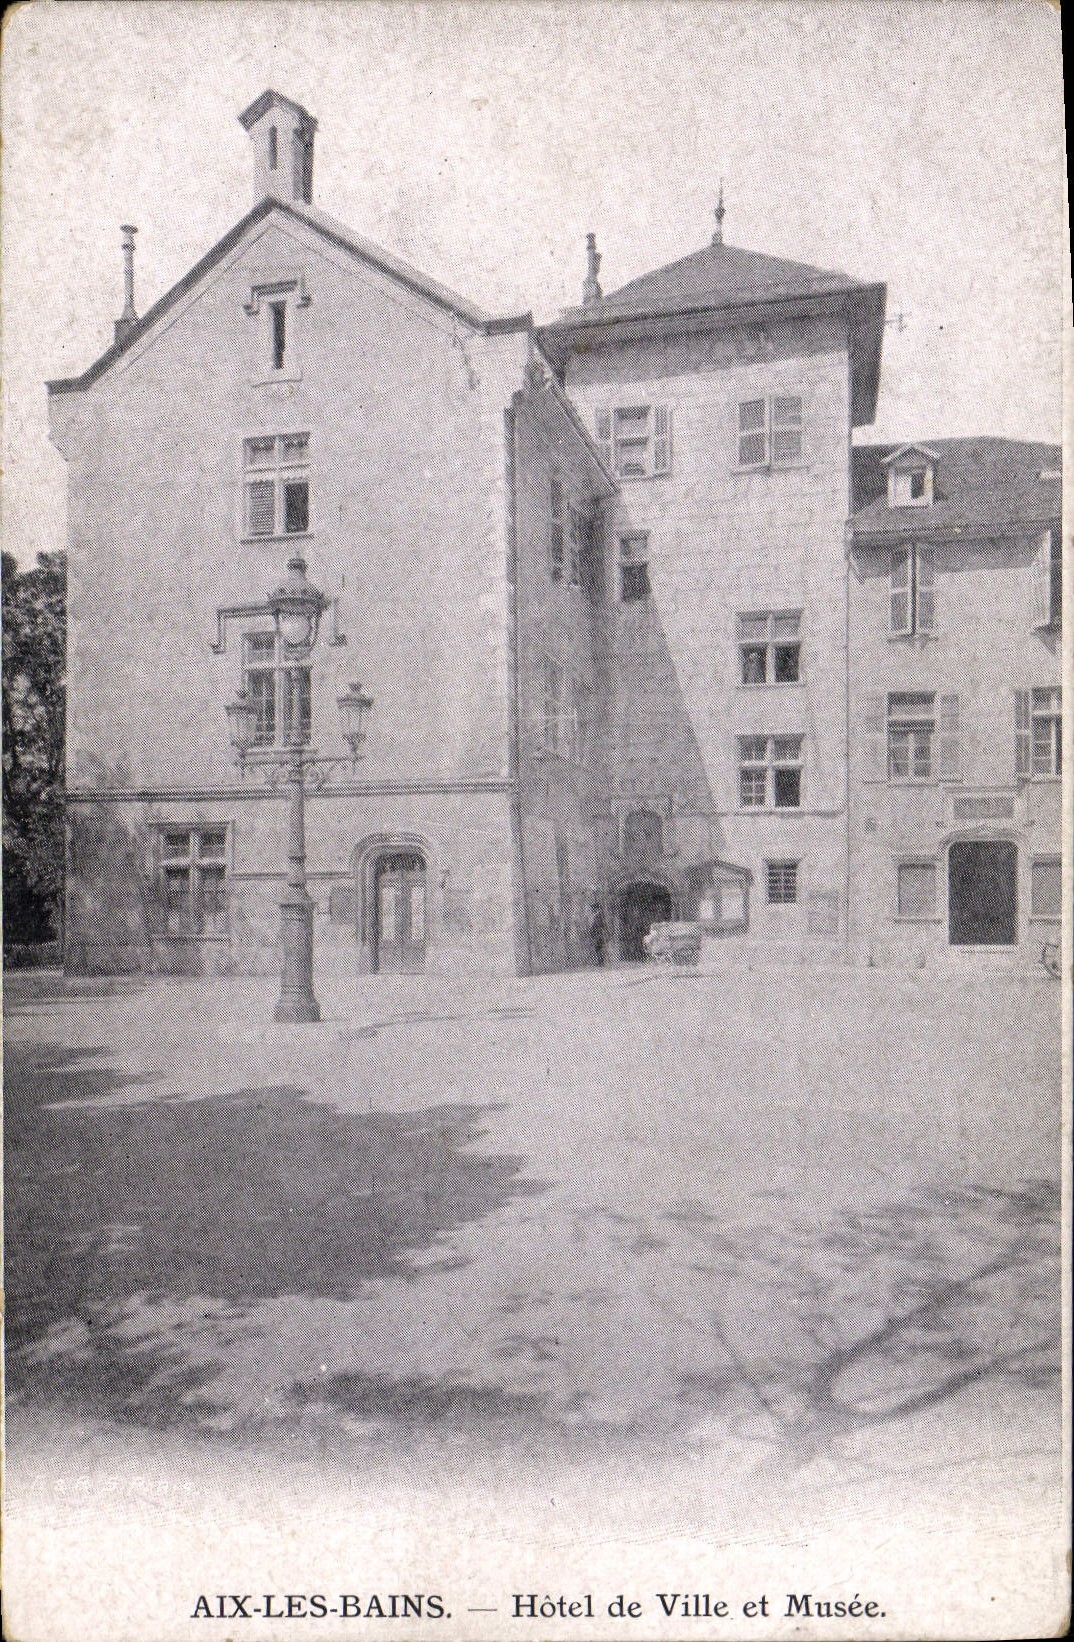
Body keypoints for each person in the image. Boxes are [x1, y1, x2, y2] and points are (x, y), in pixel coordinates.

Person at [587, 900, 606, 966]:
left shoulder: (599, 915)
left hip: (598, 934)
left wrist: (594, 931)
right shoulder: (597, 915)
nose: (592, 909)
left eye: (593, 908)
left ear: (596, 908)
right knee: (598, 948)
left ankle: (601, 962)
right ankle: (600, 961)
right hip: (597, 934)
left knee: (598, 947)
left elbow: (598, 925)